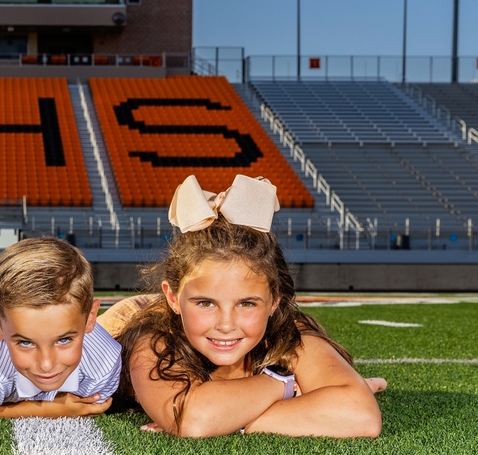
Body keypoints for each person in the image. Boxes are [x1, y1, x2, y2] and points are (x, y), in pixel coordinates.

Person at [117, 174, 385, 438]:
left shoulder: (288, 332)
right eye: (206, 303)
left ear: (274, 301)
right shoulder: (152, 340)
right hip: (127, 315)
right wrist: (283, 384)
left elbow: (360, 415)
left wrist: (234, 417)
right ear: (173, 298)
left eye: (246, 303)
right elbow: (195, 420)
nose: (226, 324)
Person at [0, 237, 121, 418]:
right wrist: (52, 409)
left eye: (64, 339)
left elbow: (94, 404)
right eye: (25, 343)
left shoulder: (104, 363)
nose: (46, 364)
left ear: (90, 318)